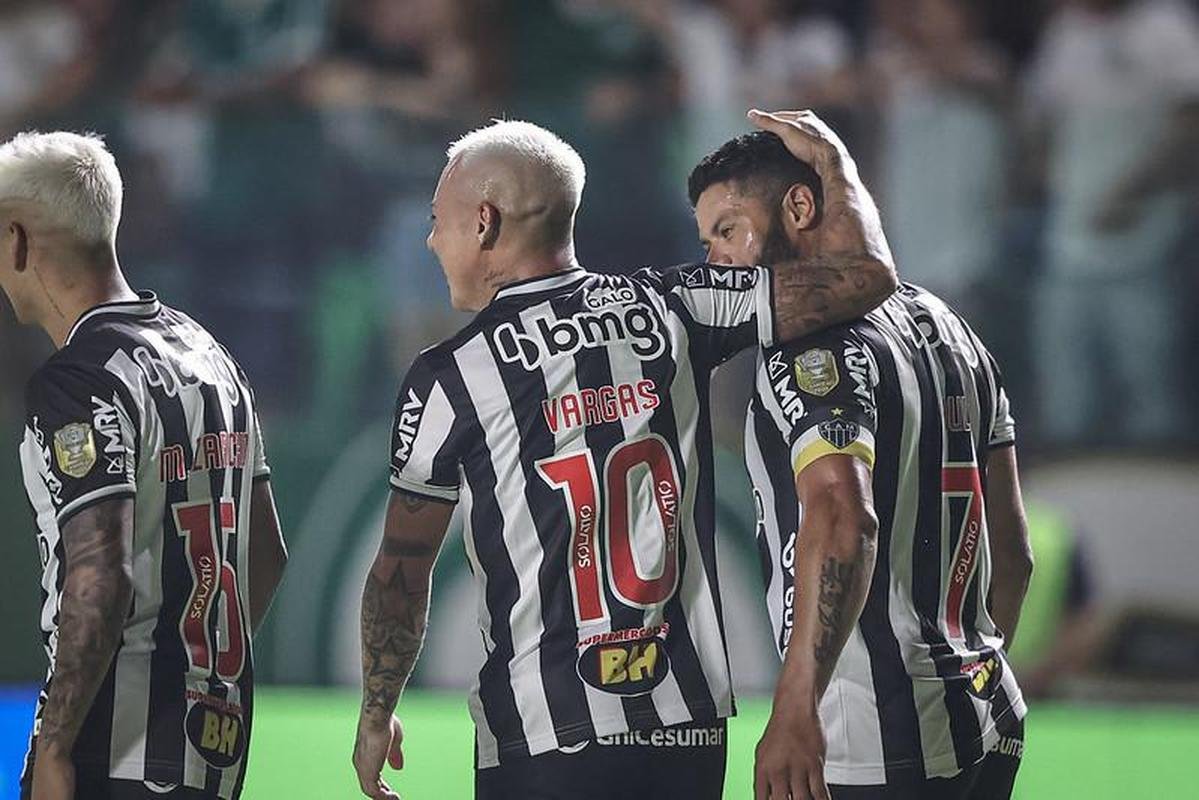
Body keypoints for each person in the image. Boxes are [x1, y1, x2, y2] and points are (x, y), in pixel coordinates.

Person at [351, 111, 897, 800]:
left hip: (543, 733)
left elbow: (401, 568)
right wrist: (835, 165)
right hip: (686, 732)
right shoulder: (679, 305)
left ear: (484, 223)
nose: (431, 240)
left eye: (439, 219)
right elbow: (865, 275)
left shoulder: (449, 376)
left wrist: (376, 711)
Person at [688, 130, 1032, 799]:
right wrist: (969, 666)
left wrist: (795, 708)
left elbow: (844, 519)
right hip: (987, 707)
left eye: (727, 229)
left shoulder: (810, 347)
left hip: (872, 732)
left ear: (797, 208)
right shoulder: (950, 327)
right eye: (706, 240)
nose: (715, 259)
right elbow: (1012, 549)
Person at [0, 132, 288, 800]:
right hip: (211, 746)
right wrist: (199, 664)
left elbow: (100, 574)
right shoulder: (211, 357)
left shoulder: (78, 379)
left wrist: (55, 749)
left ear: (17, 240)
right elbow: (265, 552)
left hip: (112, 749)